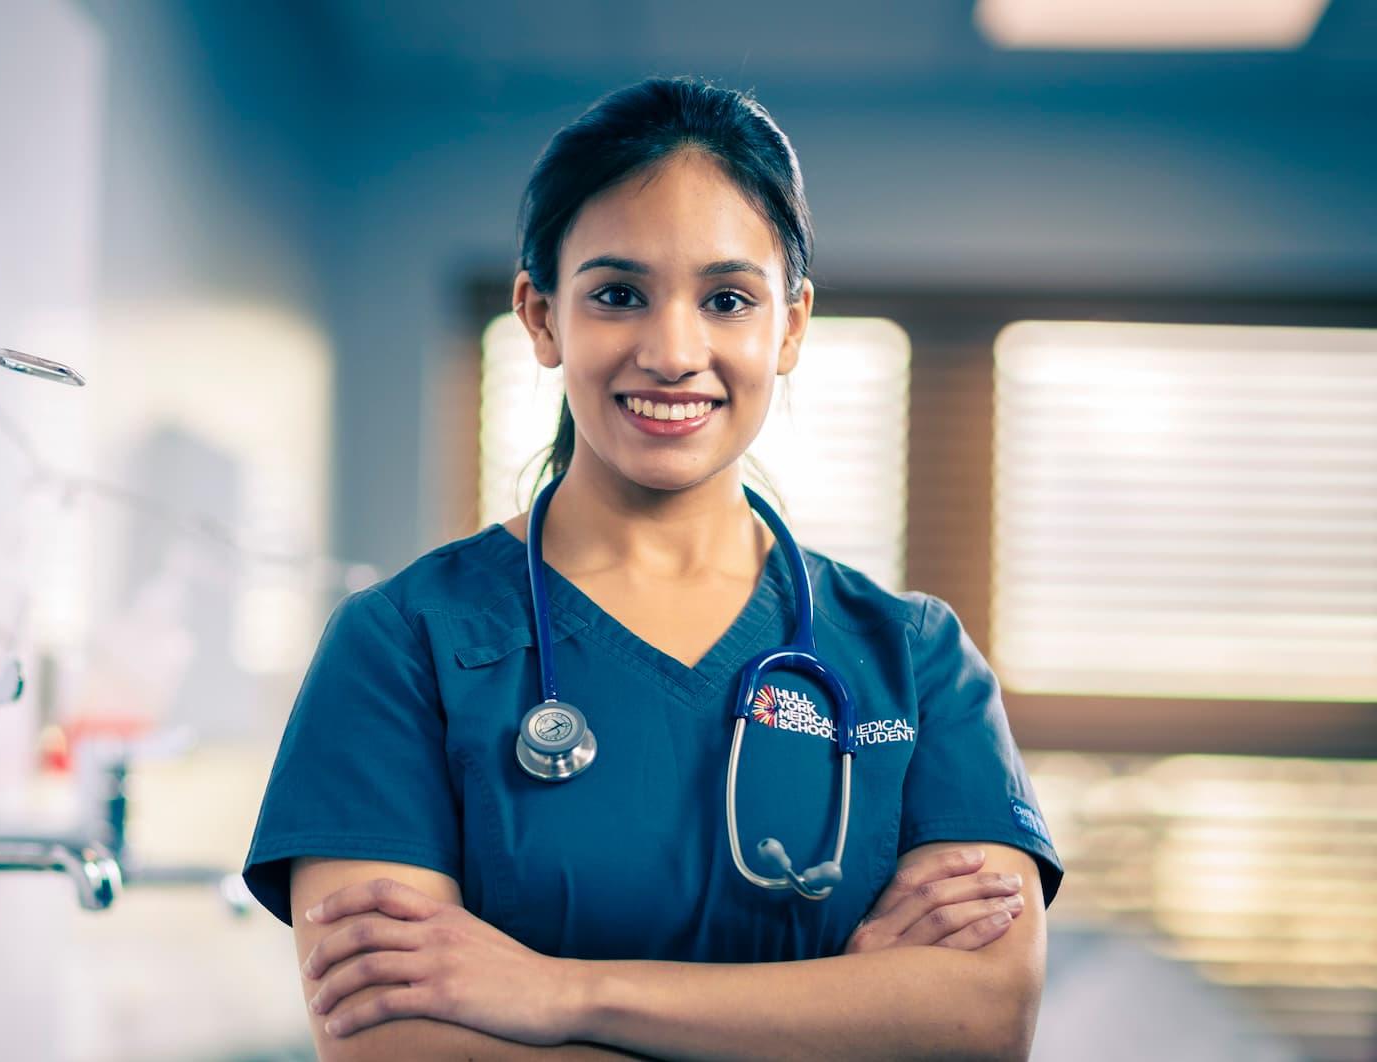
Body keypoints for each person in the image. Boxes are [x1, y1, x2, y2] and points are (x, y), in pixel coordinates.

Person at [241, 76, 1062, 1060]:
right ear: (541, 318)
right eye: (618, 295)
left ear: (791, 326)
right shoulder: (404, 643)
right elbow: (390, 1045)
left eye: (728, 300)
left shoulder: (914, 659)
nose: (674, 351)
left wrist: (561, 994)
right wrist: (847, 1014)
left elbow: (983, 1020)